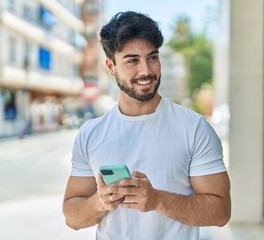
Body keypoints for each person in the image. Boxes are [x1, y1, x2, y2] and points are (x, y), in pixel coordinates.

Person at [63, 11, 231, 240]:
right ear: (111, 67)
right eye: (132, 60)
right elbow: (72, 217)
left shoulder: (194, 128)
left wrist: (157, 200)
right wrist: (99, 202)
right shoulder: (91, 134)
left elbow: (221, 212)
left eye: (152, 57)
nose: (146, 71)